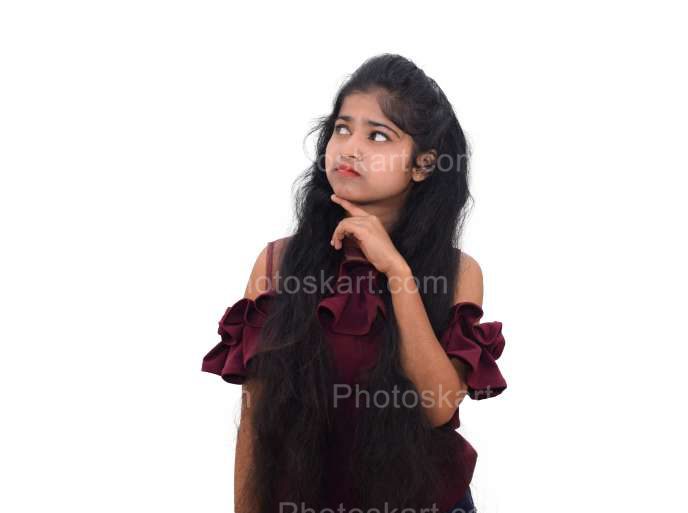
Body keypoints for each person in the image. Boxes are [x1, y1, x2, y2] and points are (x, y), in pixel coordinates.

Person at [202, 53, 506, 513]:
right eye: (342, 129)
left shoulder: (460, 272)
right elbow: (255, 417)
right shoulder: (278, 263)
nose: (350, 147)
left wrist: (397, 274)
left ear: (424, 165)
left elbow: (438, 407)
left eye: (378, 135)